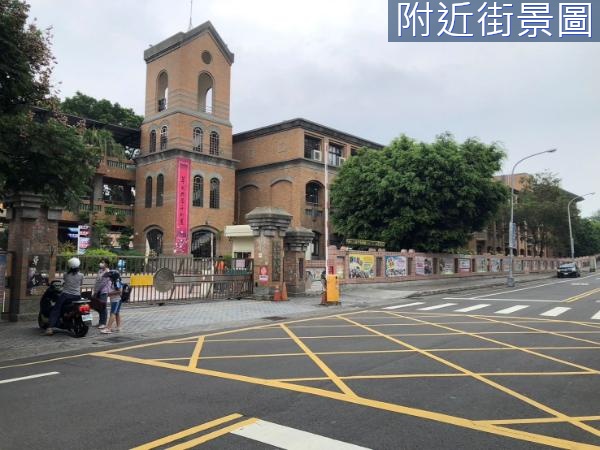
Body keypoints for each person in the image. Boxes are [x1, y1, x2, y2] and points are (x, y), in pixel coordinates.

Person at [46, 257, 83, 336]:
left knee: (56, 309)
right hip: (77, 296)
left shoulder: (66, 274)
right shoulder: (81, 275)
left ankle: (50, 327)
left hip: (66, 296)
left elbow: (65, 281)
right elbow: (80, 284)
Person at [93, 258, 112, 329]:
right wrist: (95, 290)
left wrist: (97, 291)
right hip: (98, 290)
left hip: (103, 291)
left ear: (107, 264)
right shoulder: (100, 271)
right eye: (101, 262)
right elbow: (97, 281)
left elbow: (103, 283)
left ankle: (103, 323)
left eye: (103, 262)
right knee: (98, 306)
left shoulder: (108, 272)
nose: (101, 263)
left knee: (103, 307)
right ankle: (100, 322)